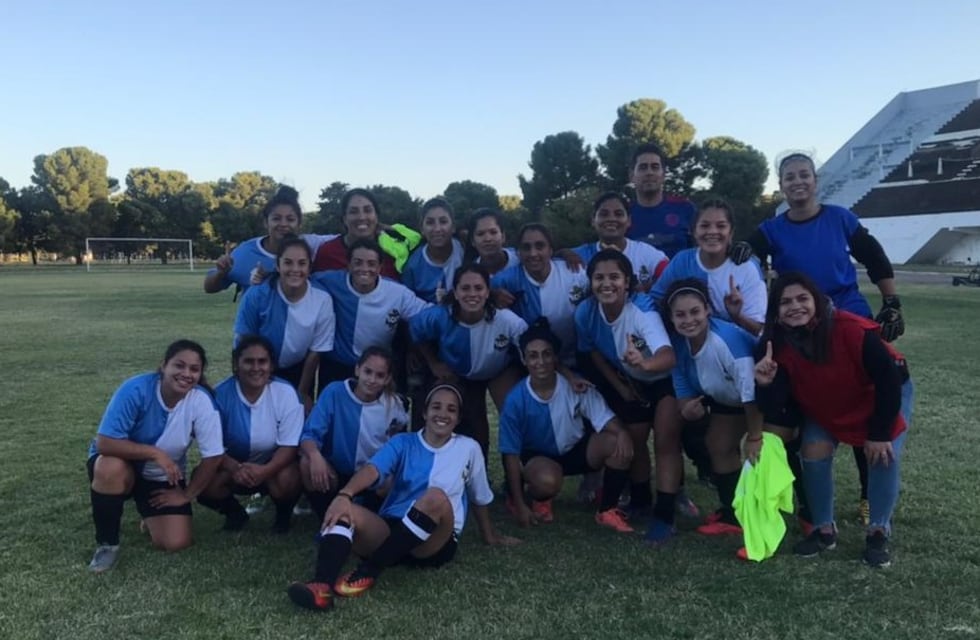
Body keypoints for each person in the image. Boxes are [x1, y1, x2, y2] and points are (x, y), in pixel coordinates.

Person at [739, 151, 906, 524]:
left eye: (804, 175)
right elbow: (745, 254)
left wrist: (892, 302)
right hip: (796, 322)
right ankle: (807, 501)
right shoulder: (772, 229)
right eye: (789, 177)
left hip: (845, 314)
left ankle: (868, 497)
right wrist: (743, 252)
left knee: (865, 403)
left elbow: (874, 257)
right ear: (780, 185)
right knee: (802, 405)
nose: (797, 182)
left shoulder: (840, 218)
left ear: (816, 180)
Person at [286, 383, 520, 611]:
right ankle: (321, 586)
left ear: (458, 419)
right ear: (425, 412)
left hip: (433, 541)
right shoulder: (403, 442)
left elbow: (479, 496)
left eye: (451, 410)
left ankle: (370, 570)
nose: (443, 414)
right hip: (392, 532)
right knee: (347, 509)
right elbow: (373, 470)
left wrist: (489, 536)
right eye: (436, 407)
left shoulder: (469, 448)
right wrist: (345, 494)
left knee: (435, 497)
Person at [754, 272, 912, 567]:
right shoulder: (776, 344)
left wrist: (879, 433)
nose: (795, 306)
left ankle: (878, 530)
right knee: (813, 449)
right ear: (775, 310)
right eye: (785, 302)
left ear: (816, 300)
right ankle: (823, 528)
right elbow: (776, 407)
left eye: (802, 298)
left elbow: (888, 380)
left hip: (879, 395)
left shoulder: (849, 328)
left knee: (882, 453)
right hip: (828, 403)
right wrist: (766, 383)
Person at [86, 340, 224, 573]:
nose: (186, 374)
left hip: (161, 476)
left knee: (176, 542)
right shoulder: (135, 389)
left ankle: (149, 516)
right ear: (163, 366)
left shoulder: (201, 401)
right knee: (109, 468)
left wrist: (186, 495)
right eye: (179, 365)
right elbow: (105, 442)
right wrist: (154, 452)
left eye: (194, 369)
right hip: (122, 465)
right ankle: (107, 544)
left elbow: (214, 457)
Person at [574, 249, 682, 544]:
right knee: (634, 441)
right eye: (599, 277)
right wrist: (620, 385)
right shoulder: (585, 312)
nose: (606, 284)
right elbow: (592, 350)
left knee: (665, 441)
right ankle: (641, 501)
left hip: (666, 381)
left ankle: (665, 514)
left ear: (627, 281)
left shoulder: (642, 310)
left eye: (614, 277)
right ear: (590, 281)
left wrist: (644, 364)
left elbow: (668, 356)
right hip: (631, 381)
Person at [498, 319, 634, 532]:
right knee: (546, 480)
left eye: (546, 354)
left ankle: (607, 509)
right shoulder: (515, 400)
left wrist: (623, 432)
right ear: (524, 360)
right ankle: (540, 499)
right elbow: (510, 455)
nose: (540, 361)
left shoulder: (576, 386)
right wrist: (519, 504)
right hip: (540, 458)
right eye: (533, 356)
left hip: (576, 452)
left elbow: (606, 419)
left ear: (555, 358)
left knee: (618, 442)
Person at [662, 278, 763, 536]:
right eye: (680, 315)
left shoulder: (726, 340)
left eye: (695, 311)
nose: (689, 320)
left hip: (761, 399)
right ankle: (732, 513)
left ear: (707, 309)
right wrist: (686, 408)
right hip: (728, 400)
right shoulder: (678, 345)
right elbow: (682, 384)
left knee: (762, 454)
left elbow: (750, 391)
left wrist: (755, 435)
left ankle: (770, 512)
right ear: (671, 319)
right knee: (717, 444)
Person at [409, 263, 528, 458]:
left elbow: (529, 344)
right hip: (457, 373)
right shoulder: (439, 316)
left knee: (506, 420)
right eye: (465, 288)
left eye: (478, 288)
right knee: (457, 419)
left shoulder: (507, 320)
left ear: (488, 292)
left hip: (496, 372)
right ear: (455, 293)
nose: (472, 294)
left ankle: (508, 477)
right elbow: (415, 329)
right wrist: (433, 362)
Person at [198, 335, 303, 533]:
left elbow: (290, 446)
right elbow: (211, 445)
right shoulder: (220, 394)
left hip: (272, 467)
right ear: (236, 364)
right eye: (248, 361)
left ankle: (283, 517)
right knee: (205, 482)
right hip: (233, 467)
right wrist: (235, 468)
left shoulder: (286, 393)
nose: (256, 368)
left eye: (262, 361)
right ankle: (235, 514)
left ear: (271, 365)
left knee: (290, 477)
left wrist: (266, 470)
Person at [299, 347, 410, 519]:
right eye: (368, 372)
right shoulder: (334, 392)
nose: (372, 380)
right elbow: (308, 435)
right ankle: (324, 515)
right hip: (336, 471)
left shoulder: (394, 405)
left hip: (370, 474)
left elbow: (399, 448)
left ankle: (368, 513)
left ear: (388, 379)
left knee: (392, 477)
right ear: (357, 369)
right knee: (307, 462)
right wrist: (315, 456)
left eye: (380, 375)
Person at [233, 236, 335, 410]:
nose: (295, 269)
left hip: (298, 370)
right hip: (259, 367)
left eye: (302, 263)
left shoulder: (322, 299)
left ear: (310, 268)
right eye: (288, 263)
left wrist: (302, 393)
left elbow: (315, 352)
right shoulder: (257, 294)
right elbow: (244, 342)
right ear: (278, 266)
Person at [311, 239, 430, 387]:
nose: (364, 268)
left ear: (380, 267)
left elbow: (429, 315)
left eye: (371, 264)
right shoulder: (329, 281)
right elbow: (302, 281)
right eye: (358, 262)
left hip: (377, 369)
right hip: (337, 368)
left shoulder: (397, 293)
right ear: (348, 265)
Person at [651, 198, 766, 336]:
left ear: (731, 232)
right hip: (688, 345)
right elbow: (655, 301)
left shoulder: (747, 267)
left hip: (735, 349)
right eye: (704, 226)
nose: (712, 231)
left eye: (721, 226)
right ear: (694, 231)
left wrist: (736, 316)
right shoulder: (683, 261)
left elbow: (758, 330)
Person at [203, 186, 335, 295]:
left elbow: (347, 239)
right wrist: (221, 273)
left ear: (299, 223)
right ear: (266, 222)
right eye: (276, 218)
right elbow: (210, 288)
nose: (283, 224)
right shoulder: (246, 252)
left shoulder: (313, 245)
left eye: (290, 219)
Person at [491, 223, 590, 367]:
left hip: (579, 358)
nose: (533, 253)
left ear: (550, 250)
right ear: (518, 252)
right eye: (526, 247)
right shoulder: (505, 280)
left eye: (540, 246)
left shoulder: (574, 271)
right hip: (532, 365)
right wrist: (492, 296)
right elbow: (478, 293)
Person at [312, 188, 420, 279]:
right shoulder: (328, 253)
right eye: (354, 212)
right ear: (344, 218)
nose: (362, 217)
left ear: (376, 216)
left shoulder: (394, 251)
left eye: (367, 210)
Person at [572, 191, 669, 292]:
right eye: (604, 214)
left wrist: (647, 288)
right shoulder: (577, 256)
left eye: (618, 214)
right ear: (593, 220)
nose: (611, 219)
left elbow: (672, 278)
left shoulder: (648, 255)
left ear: (629, 221)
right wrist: (562, 253)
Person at [626, 143, 697, 258]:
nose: (649, 172)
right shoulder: (623, 214)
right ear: (632, 175)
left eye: (655, 167)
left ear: (663, 174)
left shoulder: (685, 208)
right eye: (643, 167)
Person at [401, 197, 466, 303]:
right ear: (422, 229)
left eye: (443, 222)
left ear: (453, 226)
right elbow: (408, 305)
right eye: (430, 223)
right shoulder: (412, 267)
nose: (437, 229)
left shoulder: (465, 250)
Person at [464, 207, 519, 276]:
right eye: (480, 234)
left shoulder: (520, 259)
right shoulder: (471, 274)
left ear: (503, 236)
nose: (488, 239)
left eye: (493, 232)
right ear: (473, 241)